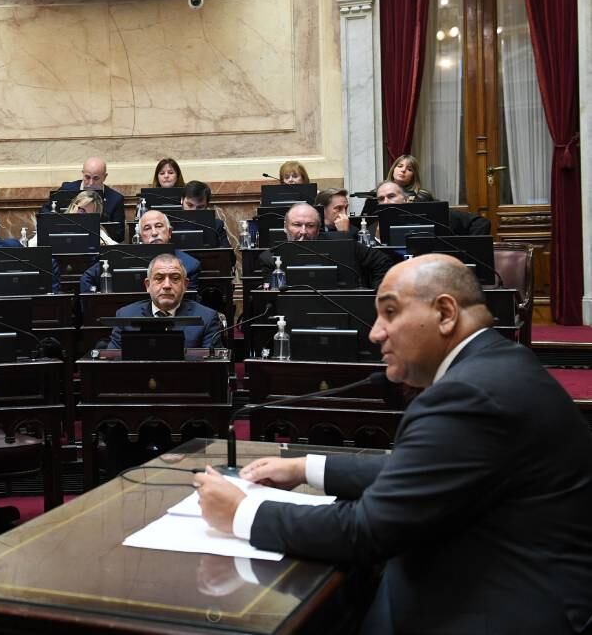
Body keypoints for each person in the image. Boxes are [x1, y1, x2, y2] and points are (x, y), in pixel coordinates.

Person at [194, 255, 592, 634]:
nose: (374, 332)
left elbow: (367, 531)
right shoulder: (498, 364)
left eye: (390, 312)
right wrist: (305, 467)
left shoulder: (467, 395)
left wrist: (243, 512)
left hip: (494, 610)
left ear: (445, 313)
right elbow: (422, 471)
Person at [257, 203, 392, 289]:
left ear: (318, 229)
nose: (303, 231)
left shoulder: (342, 243)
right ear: (285, 228)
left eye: (310, 226)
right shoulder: (270, 258)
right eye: (297, 225)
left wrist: (376, 294)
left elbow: (383, 262)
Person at [107, 253, 220, 349]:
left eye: (175, 278)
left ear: (185, 285)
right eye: (159, 278)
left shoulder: (207, 318)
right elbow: (112, 365)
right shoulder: (125, 315)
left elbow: (213, 369)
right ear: (148, 285)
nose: (167, 285)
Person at [80, 210, 201, 293]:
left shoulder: (189, 265)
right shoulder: (122, 256)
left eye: (159, 226)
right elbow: (87, 278)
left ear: (169, 232)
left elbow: (189, 303)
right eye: (147, 228)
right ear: (140, 236)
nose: (154, 232)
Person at [375, 181, 491, 236]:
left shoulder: (432, 213)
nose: (385, 202)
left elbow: (482, 223)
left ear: (405, 199)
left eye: (391, 196)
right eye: (381, 199)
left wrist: (465, 247)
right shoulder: (377, 226)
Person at [46, 157, 125, 224]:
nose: (91, 183)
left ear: (104, 177)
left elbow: (118, 235)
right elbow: (45, 212)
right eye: (87, 177)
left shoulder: (115, 199)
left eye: (96, 178)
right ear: (82, 174)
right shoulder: (67, 189)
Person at [28, 190, 118, 247]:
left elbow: (114, 246)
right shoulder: (55, 222)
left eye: (89, 215)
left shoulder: (97, 230)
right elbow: (32, 245)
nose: (83, 216)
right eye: (81, 210)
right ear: (73, 205)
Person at [180, 181, 231, 248]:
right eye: (190, 205)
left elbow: (229, 256)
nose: (194, 210)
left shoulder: (216, 225)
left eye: (200, 207)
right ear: (182, 200)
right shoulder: (168, 224)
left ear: (207, 205)